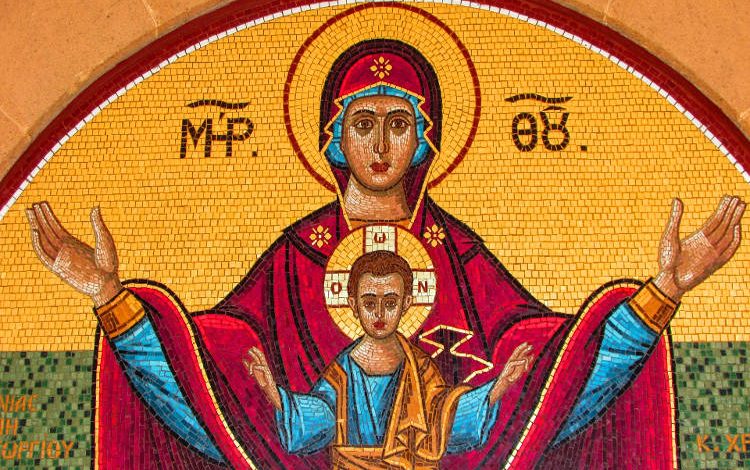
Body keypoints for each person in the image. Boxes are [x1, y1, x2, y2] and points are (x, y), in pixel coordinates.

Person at [25, 39, 745, 469]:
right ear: (334, 138)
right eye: (362, 122)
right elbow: (213, 396)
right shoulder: (293, 261)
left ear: (425, 139)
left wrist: (660, 296)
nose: (378, 144)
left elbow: (554, 385)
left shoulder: (459, 255)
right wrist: (111, 299)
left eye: (399, 123)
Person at [244, 250, 534, 468]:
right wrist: (275, 395)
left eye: (390, 302)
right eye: (370, 302)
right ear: (353, 305)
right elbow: (323, 416)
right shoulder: (342, 372)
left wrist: (500, 386)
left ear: (406, 303)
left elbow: (443, 417)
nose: (380, 314)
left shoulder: (419, 368)